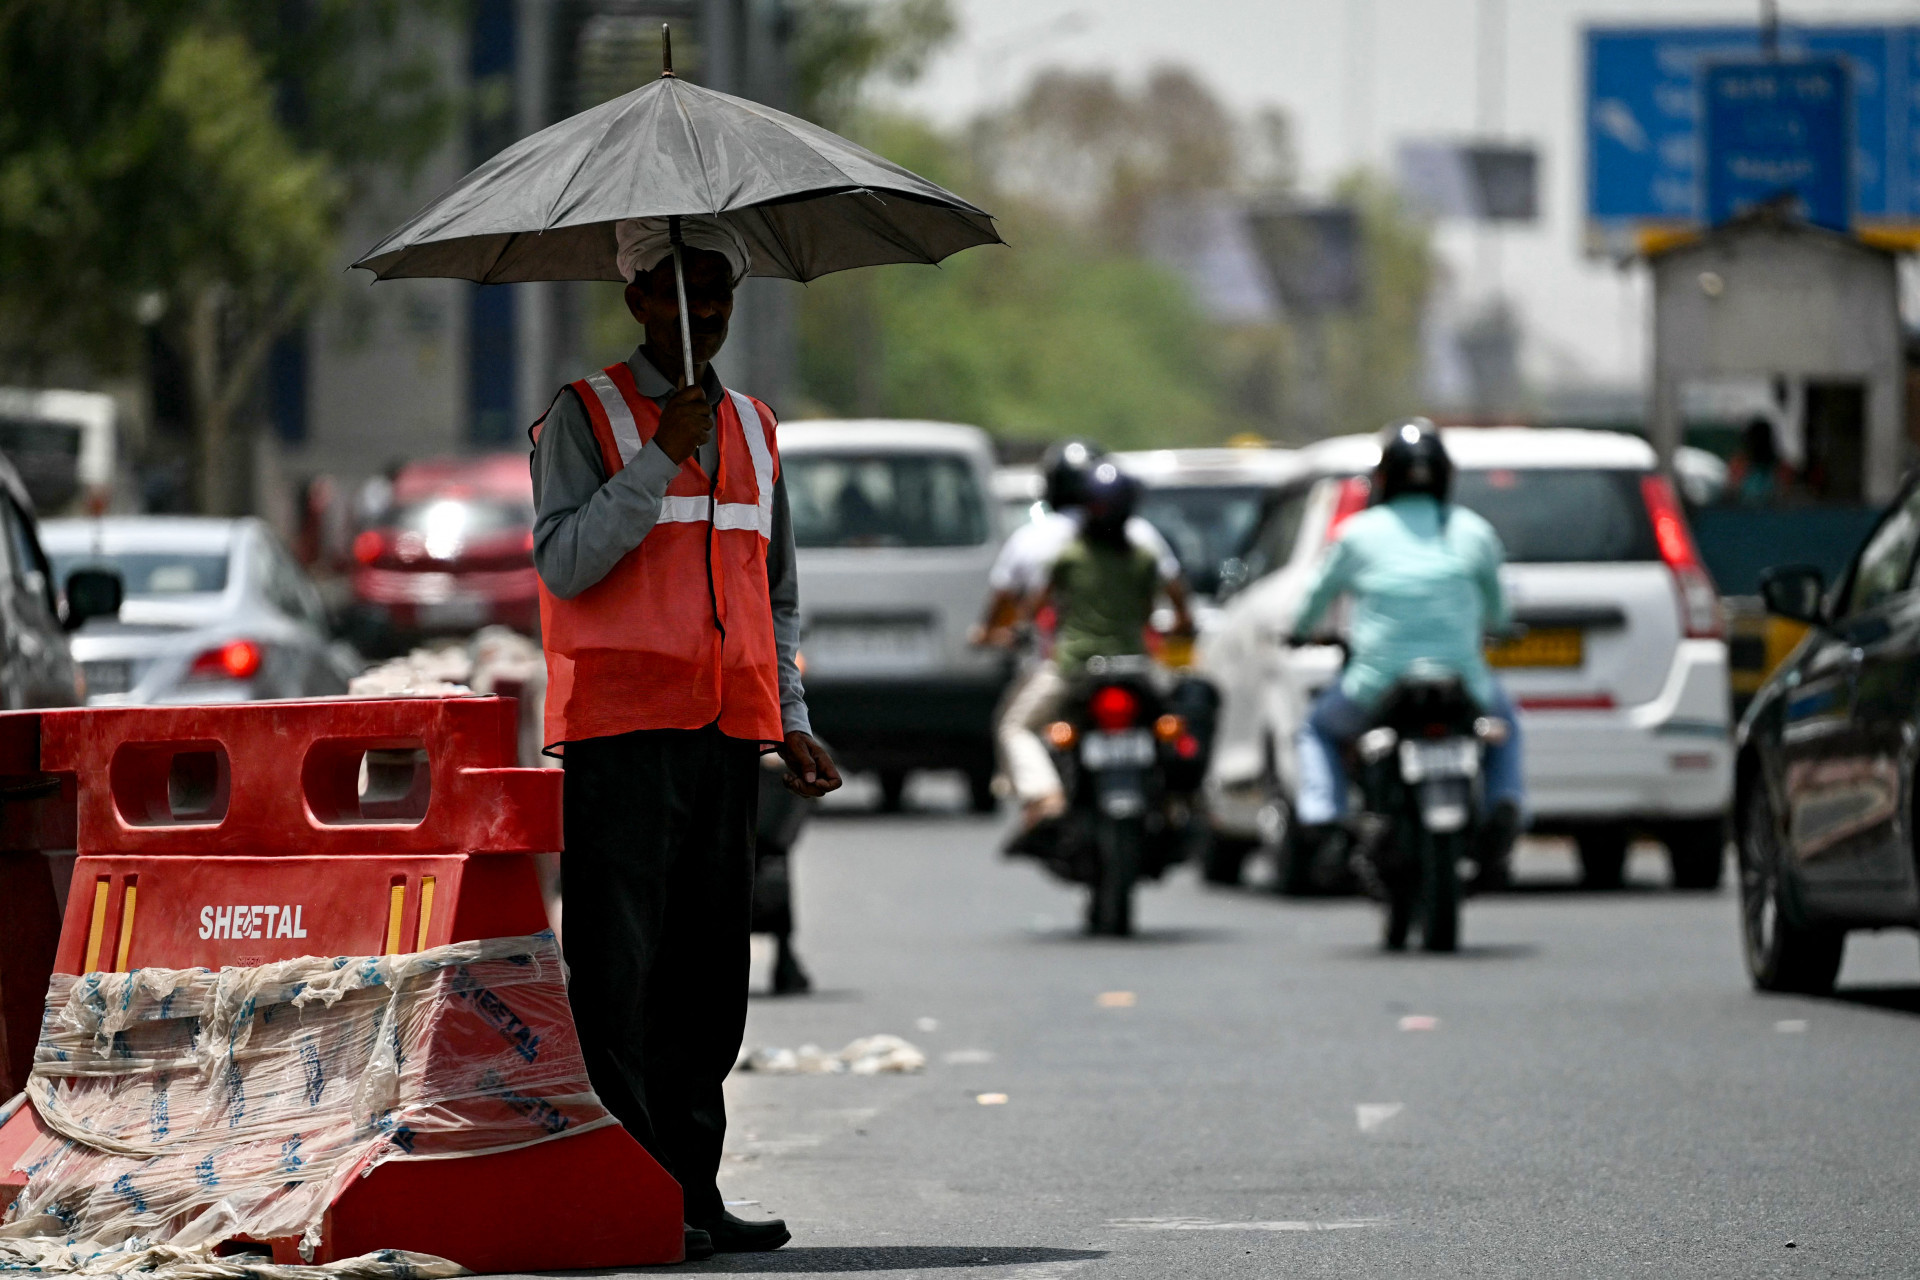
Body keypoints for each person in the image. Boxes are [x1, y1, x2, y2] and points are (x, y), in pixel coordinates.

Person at [528, 215, 841, 1261]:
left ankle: (696, 1189)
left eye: (717, 294)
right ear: (639, 301)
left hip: (723, 737)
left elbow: (775, 592)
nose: (702, 312)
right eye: (679, 292)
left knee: (710, 976)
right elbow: (568, 562)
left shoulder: (753, 425)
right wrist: (662, 454)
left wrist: (791, 719)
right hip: (619, 736)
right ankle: (639, 1191)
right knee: (620, 975)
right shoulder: (586, 416)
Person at [1289, 420, 1523, 880]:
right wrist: (1497, 628)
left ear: (1386, 477)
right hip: (1463, 681)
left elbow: (1317, 597)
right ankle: (1504, 804)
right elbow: (1498, 611)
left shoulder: (1358, 533)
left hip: (1376, 683)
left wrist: (1298, 632)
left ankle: (1323, 815)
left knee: (1316, 729)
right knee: (1506, 725)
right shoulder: (1474, 531)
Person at [973, 440, 1181, 826]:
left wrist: (1002, 632)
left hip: (1073, 667)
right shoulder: (1144, 547)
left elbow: (1028, 609)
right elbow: (1164, 605)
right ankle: (1175, 797)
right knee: (1177, 719)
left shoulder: (1059, 551)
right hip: (1138, 665)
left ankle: (1043, 794)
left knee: (1013, 726)